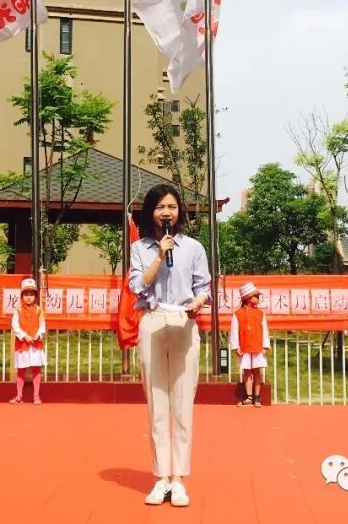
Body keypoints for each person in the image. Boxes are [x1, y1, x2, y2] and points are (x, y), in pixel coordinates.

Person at [129, 183, 210, 508]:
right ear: (151, 212)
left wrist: (198, 302)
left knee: (181, 404)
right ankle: (161, 476)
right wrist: (160, 255)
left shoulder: (194, 247)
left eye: (172, 207)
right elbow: (137, 285)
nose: (166, 212)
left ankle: (179, 480)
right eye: (160, 207)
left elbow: (203, 287)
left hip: (183, 322)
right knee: (157, 403)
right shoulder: (140, 248)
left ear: (179, 212)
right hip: (152, 320)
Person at [230, 282, 270, 407]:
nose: (258, 298)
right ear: (248, 298)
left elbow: (264, 330)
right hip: (244, 347)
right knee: (247, 371)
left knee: (257, 371)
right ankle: (249, 397)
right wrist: (236, 347)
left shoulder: (260, 313)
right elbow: (234, 331)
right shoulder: (238, 314)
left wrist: (265, 346)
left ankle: (257, 398)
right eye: (256, 296)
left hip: (257, 347)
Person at [10, 277, 46, 404]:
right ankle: (19, 396)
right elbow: (15, 325)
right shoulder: (18, 310)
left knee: (36, 369)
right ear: (22, 296)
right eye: (26, 294)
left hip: (35, 344)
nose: (29, 297)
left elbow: (43, 325)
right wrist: (25, 336)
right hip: (22, 344)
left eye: (31, 294)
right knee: (21, 370)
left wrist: (38, 335)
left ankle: (36, 396)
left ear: (35, 296)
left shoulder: (39, 310)